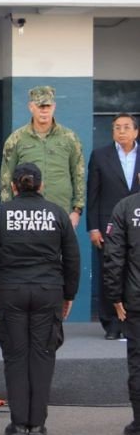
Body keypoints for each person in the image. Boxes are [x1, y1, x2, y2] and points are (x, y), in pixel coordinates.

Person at [0, 162, 80, 435]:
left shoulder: (0, 213)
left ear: (13, 186)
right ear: (41, 185)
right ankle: (37, 424)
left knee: (15, 356)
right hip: (48, 291)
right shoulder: (57, 213)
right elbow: (72, 258)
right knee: (43, 355)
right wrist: (68, 294)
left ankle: (19, 423)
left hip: (10, 291)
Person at [0, 86, 85, 228]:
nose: (44, 110)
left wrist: (77, 210)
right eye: (40, 106)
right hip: (26, 213)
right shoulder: (16, 139)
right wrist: (8, 209)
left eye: (48, 106)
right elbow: (6, 177)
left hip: (61, 209)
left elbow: (78, 174)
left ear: (54, 107)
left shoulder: (69, 138)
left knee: (61, 249)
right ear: (30, 107)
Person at [88, 113, 140, 339]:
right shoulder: (100, 156)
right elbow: (93, 194)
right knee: (110, 271)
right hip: (109, 225)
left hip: (137, 221)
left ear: (136, 131)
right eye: (117, 127)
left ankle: (133, 323)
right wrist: (93, 227)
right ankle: (112, 324)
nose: (121, 131)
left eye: (126, 127)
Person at [103, 178, 140, 435]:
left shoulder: (125, 207)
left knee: (137, 361)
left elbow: (114, 257)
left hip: (135, 299)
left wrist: (115, 297)